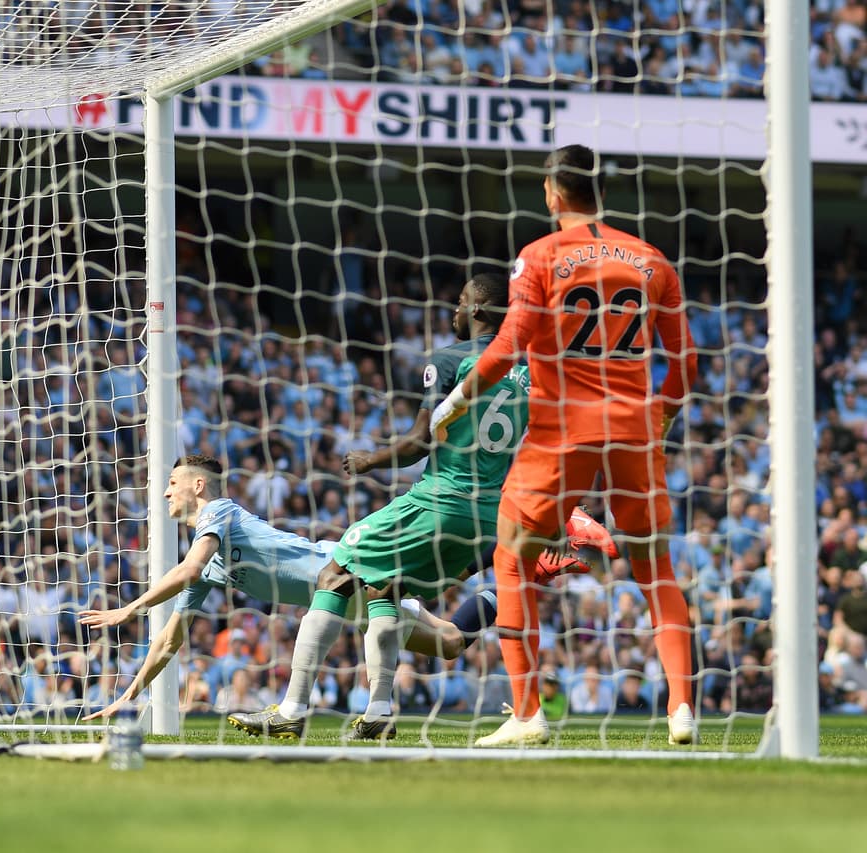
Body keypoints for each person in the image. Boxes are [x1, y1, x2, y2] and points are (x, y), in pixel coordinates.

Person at [430, 144, 699, 747]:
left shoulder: (541, 256)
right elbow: (686, 359)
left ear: (552, 193)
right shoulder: (651, 259)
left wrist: (454, 402)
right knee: (657, 571)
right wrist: (664, 416)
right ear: (598, 190)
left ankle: (527, 713)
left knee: (512, 559)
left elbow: (507, 347)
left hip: (562, 433)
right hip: (633, 430)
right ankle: (682, 708)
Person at [228, 274, 536, 740]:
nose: (453, 311)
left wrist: (370, 459)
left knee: (336, 571)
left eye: (459, 301)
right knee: (382, 590)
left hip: (440, 500)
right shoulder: (528, 370)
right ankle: (378, 712)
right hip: (488, 515)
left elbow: (417, 443)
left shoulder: (452, 360)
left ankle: (291, 710)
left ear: (477, 310)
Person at [78, 454, 466, 725]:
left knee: (445, 594)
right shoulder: (212, 562)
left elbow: (189, 568)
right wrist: (128, 697)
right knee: (449, 643)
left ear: (198, 485)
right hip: (343, 603)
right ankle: (497, 593)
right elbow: (168, 641)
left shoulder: (219, 511)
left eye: (172, 483)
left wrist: (130, 610)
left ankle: (484, 553)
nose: (165, 493)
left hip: (348, 569)